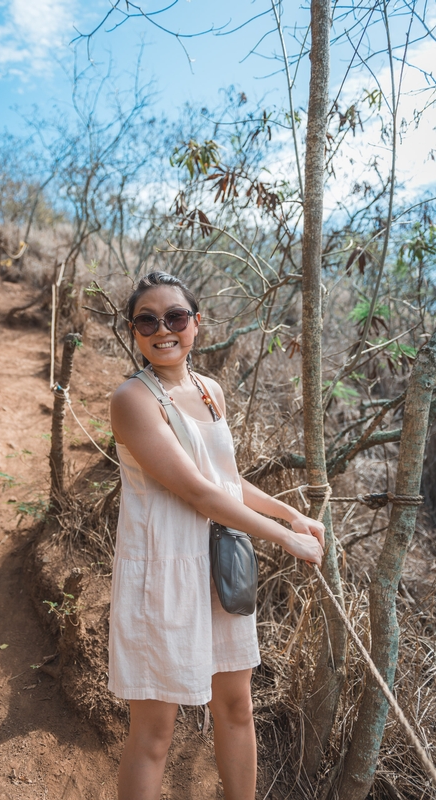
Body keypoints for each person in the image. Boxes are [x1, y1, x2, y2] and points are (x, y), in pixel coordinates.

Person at [109, 271, 325, 800]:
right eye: (147, 320)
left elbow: (224, 480)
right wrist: (285, 539)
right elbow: (199, 496)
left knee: (236, 707)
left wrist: (291, 515)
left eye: (176, 317)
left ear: (196, 324)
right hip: (163, 572)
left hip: (218, 566)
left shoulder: (210, 392)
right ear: (134, 332)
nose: (164, 329)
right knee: (155, 733)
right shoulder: (133, 401)